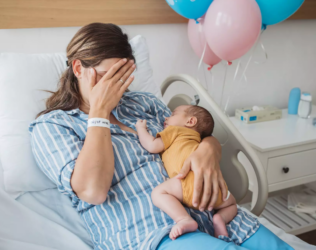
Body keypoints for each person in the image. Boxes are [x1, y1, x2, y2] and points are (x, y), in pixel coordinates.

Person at [29, 23, 294, 250]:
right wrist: (99, 111)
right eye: (109, 78)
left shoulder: (143, 103)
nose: (118, 89)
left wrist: (209, 150)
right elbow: (93, 191)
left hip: (214, 215)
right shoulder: (53, 127)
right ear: (78, 69)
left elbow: (190, 133)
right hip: (155, 234)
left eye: (125, 79)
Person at [136, 105, 238, 240]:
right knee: (232, 204)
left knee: (158, 193)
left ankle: (183, 219)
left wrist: (141, 129)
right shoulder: (198, 140)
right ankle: (220, 219)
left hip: (186, 185)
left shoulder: (175, 130)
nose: (166, 117)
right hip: (214, 189)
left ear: (190, 122)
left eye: (173, 114)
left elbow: (152, 145)